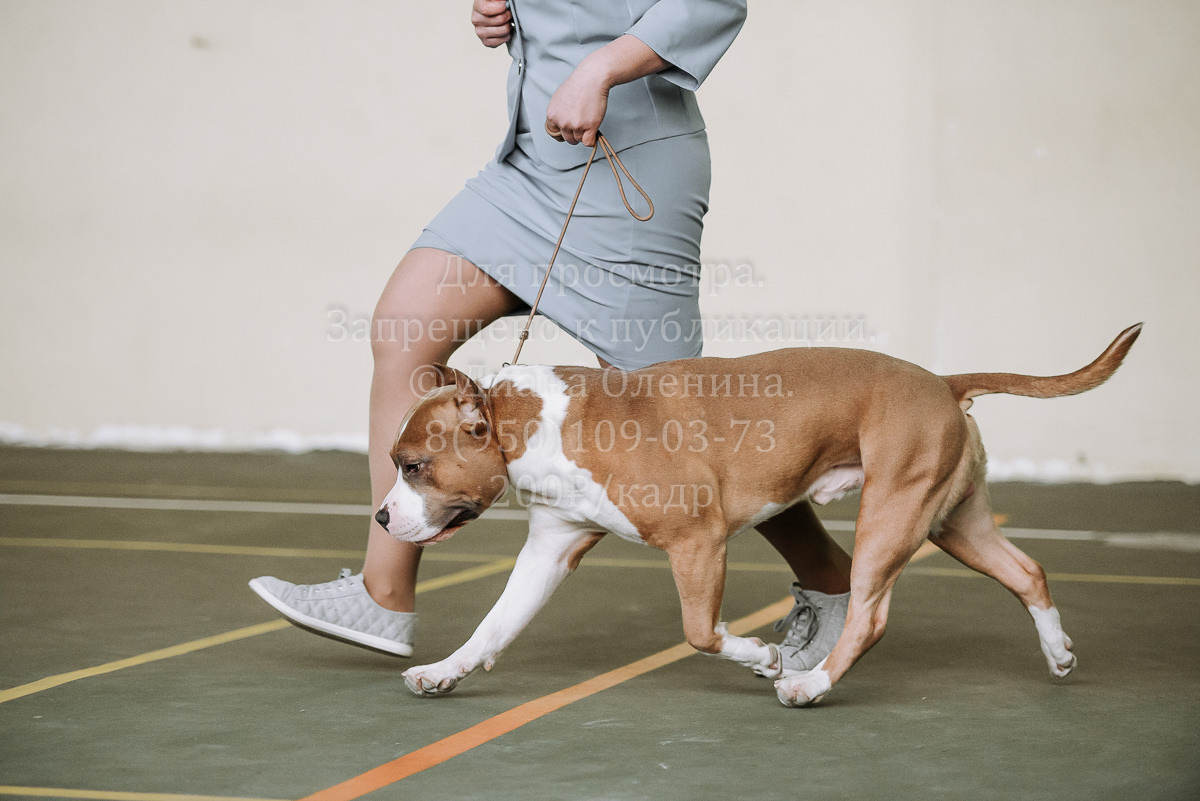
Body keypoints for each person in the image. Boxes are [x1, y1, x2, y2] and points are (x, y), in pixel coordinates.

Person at [249, 0, 853, 674]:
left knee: (687, 434)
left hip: (626, 164)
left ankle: (831, 579)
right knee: (404, 329)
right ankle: (382, 592)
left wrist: (601, 65)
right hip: (531, 164)